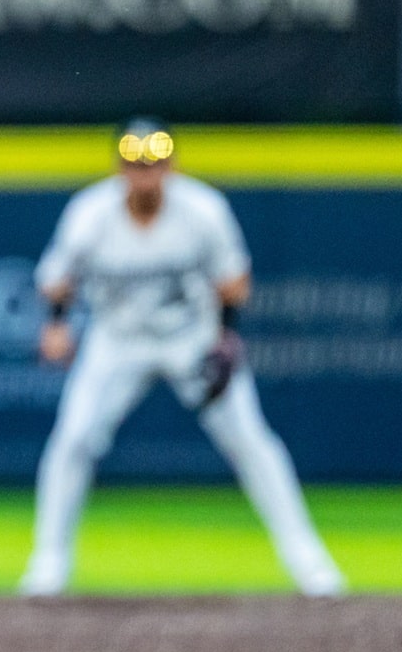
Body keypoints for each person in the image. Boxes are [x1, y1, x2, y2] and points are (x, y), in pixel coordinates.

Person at [22, 119, 346, 598]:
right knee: (74, 439)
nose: (145, 172)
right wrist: (55, 324)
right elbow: (57, 278)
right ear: (119, 167)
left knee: (250, 441)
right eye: (135, 163)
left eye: (154, 162)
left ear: (171, 165)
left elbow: (233, 283)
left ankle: (310, 564)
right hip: (117, 341)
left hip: (191, 338)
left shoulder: (203, 210)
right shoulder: (90, 213)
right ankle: (48, 563)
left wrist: (226, 339)